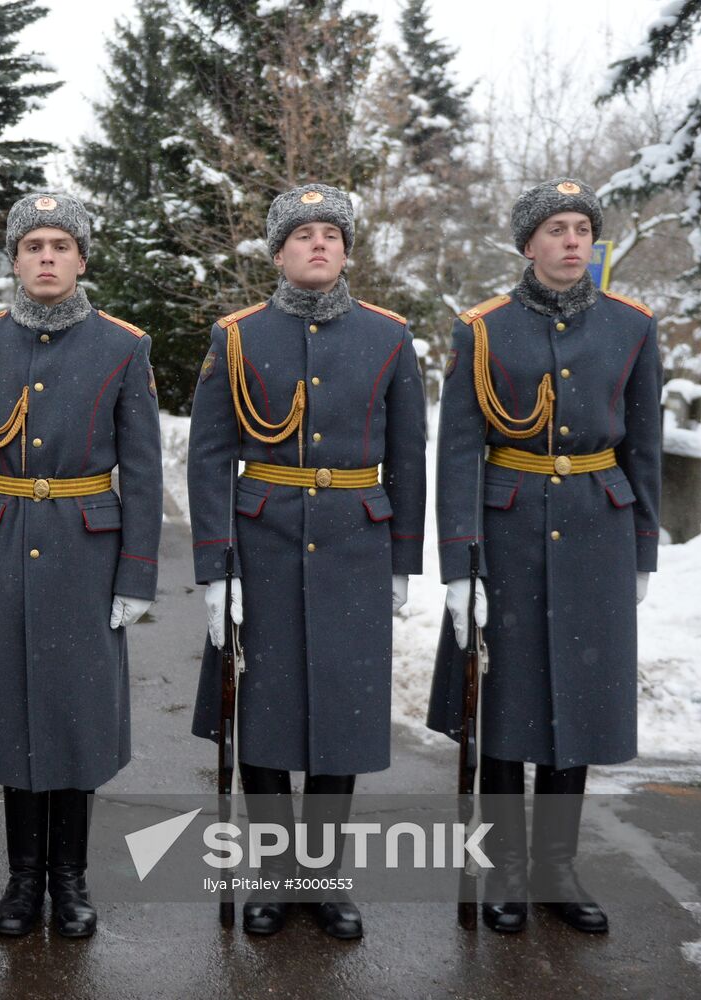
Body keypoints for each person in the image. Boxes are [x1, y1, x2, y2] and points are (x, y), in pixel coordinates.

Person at [187, 183, 427, 939]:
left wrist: (402, 560)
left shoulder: (389, 336)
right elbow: (208, 458)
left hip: (356, 541)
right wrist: (215, 566)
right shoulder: (237, 337)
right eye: (302, 234)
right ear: (278, 253)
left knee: (341, 714)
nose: (318, 244)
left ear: (346, 251)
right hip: (262, 542)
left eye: (331, 234)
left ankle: (321, 876)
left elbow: (408, 456)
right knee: (259, 710)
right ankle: (272, 873)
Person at [427, 178, 662, 934]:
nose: (572, 241)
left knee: (578, 699)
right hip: (508, 529)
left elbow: (644, 445)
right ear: (527, 244)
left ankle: (557, 867)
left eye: (582, 229)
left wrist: (643, 549)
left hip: (598, 527)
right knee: (504, 700)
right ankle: (503, 865)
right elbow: (458, 453)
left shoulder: (631, 326)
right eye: (556, 229)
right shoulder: (483, 329)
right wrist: (459, 564)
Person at [0, 192, 163, 938]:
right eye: (33, 246)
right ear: (15, 260)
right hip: (0, 547)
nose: (47, 258)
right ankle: (23, 876)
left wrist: (136, 573)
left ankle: (70, 876)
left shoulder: (122, 345)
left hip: (86, 552)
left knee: (75, 719)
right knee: (8, 715)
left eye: (61, 245)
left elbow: (144, 470)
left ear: (82, 259)